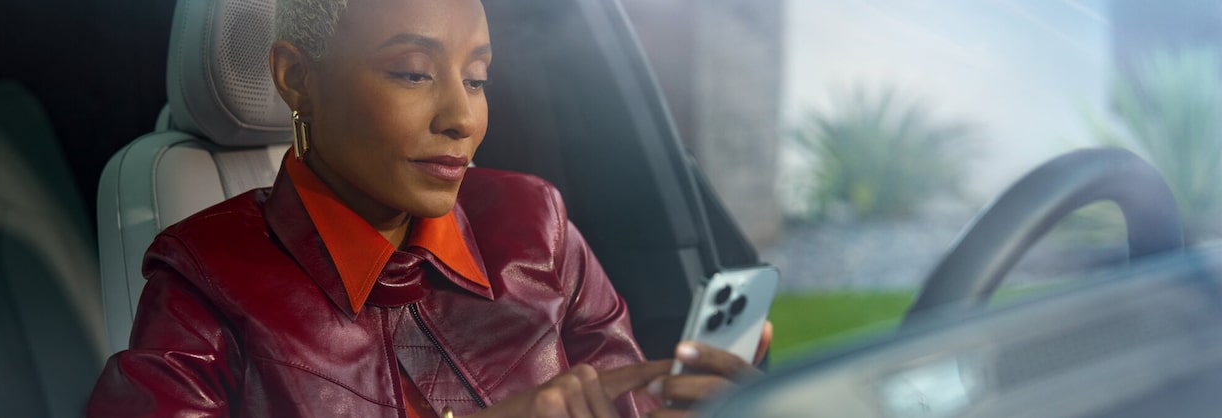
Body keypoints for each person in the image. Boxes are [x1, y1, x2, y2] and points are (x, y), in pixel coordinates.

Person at [87, 0, 769, 416]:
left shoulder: (537, 226)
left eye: (476, 79)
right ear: (297, 79)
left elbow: (631, 398)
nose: (461, 118)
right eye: (413, 72)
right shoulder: (206, 275)